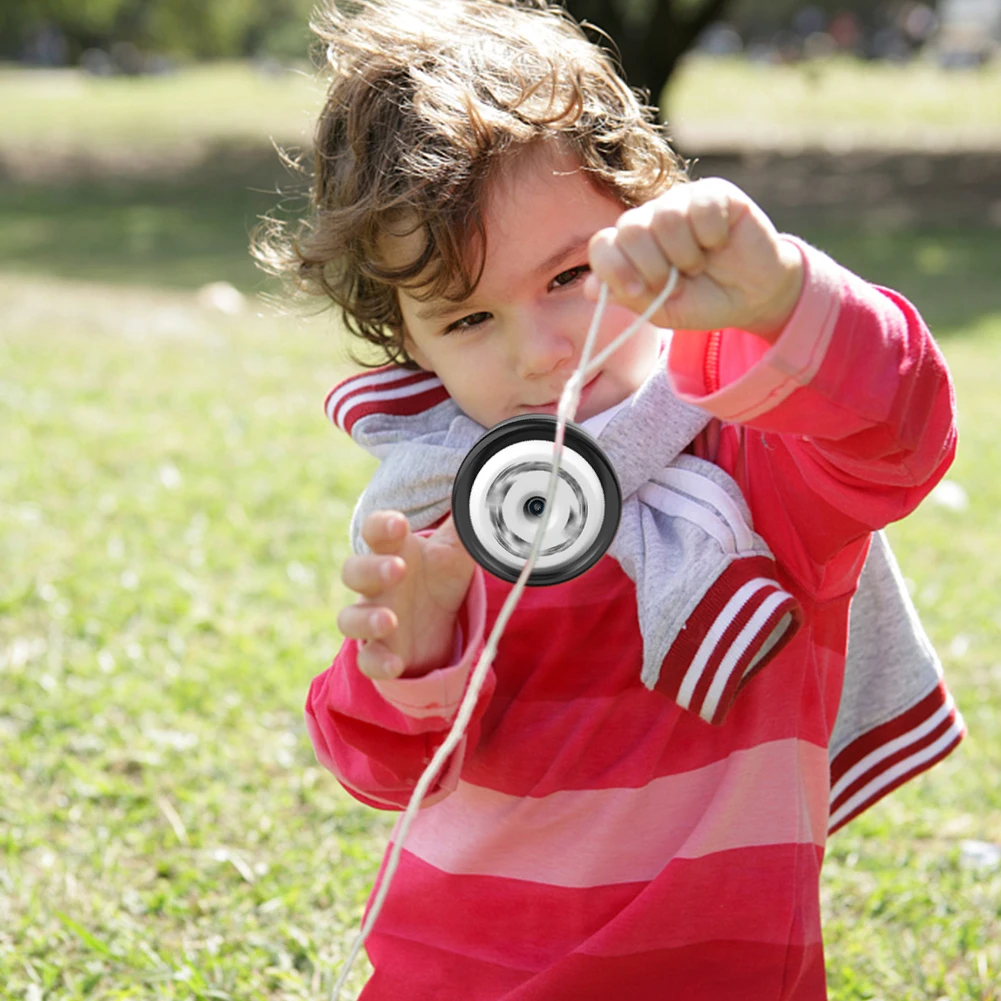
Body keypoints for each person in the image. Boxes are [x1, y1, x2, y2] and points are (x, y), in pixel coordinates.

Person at [255, 1, 962, 997]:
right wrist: (404, 657)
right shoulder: (441, 500)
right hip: (458, 972)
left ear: (650, 217)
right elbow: (374, 768)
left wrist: (782, 300)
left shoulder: (755, 450)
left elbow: (903, 431)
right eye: (467, 316)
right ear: (407, 339)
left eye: (569, 275)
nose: (537, 352)